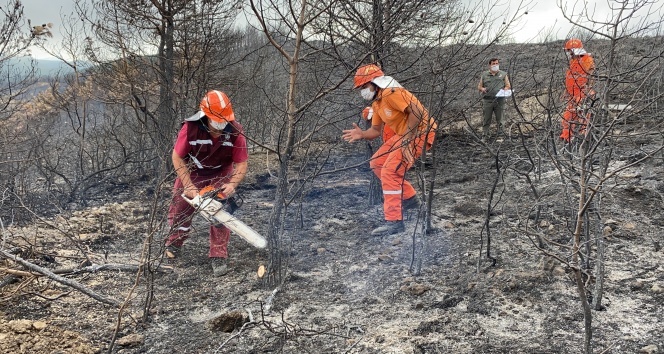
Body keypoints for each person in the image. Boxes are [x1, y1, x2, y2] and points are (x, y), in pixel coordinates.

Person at [343, 64, 437, 236]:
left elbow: (416, 111)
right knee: (377, 164)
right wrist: (362, 134)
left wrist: (408, 139)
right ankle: (411, 200)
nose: (363, 91)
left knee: (390, 171)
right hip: (403, 135)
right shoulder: (378, 102)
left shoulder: (391, 92)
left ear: (374, 82)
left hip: (420, 133)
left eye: (364, 86)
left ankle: (394, 221)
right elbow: (375, 131)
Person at [165, 90, 249, 276]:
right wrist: (188, 185)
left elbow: (242, 163)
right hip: (193, 172)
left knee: (220, 212)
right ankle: (174, 245)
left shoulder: (235, 131)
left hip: (221, 173)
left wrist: (232, 184)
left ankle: (218, 255)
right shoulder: (191, 128)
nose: (220, 124)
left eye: (224, 120)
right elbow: (177, 157)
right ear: (206, 116)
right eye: (216, 120)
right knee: (180, 207)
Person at [561, 38, 596, 142]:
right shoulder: (573, 61)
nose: (569, 53)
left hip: (582, 93)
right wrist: (565, 91)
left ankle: (583, 138)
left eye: (569, 51)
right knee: (567, 117)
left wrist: (586, 91)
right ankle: (566, 137)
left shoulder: (587, 60)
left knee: (583, 116)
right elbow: (569, 77)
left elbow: (591, 76)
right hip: (572, 94)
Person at [477, 58, 511, 141]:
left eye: (497, 63)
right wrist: (482, 89)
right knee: (486, 119)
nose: (495, 65)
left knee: (500, 119)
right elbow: (479, 86)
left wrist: (505, 89)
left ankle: (500, 136)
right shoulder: (484, 75)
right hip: (487, 100)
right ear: (490, 65)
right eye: (493, 63)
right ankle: (485, 136)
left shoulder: (503, 74)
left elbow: (508, 85)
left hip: (499, 100)